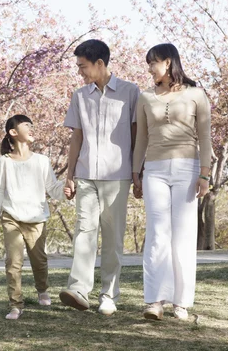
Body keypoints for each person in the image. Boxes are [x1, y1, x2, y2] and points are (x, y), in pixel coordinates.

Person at [59, 39, 140, 316]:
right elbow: (76, 137)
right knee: (84, 231)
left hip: (117, 176)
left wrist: (137, 171)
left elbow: (137, 134)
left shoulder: (130, 92)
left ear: (100, 63)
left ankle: (108, 295)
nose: (80, 72)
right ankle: (79, 289)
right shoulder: (79, 95)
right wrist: (69, 176)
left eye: (83, 66)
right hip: (85, 175)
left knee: (113, 236)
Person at [132, 43, 212, 320]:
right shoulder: (145, 97)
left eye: (152, 63)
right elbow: (141, 137)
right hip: (153, 169)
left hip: (187, 168)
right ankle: (155, 301)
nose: (150, 69)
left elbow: (205, 136)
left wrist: (205, 173)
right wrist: (135, 172)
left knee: (183, 235)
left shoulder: (196, 94)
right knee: (157, 233)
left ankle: (181, 302)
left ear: (168, 62)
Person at [0, 114, 65, 320]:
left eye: (32, 125)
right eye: (26, 125)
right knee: (13, 262)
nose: (32, 128)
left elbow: (52, 188)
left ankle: (42, 289)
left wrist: (66, 188)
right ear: (13, 133)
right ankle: (15, 304)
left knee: (39, 260)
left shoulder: (42, 160)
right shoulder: (3, 161)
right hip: (11, 217)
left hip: (36, 218)